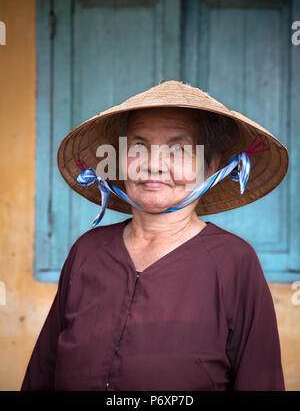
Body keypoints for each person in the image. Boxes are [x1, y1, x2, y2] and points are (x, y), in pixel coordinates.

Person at [21, 80, 288, 391]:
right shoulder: (87, 252)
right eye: (138, 147)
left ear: (211, 166)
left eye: (178, 149)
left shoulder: (235, 263)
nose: (153, 165)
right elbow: (41, 374)